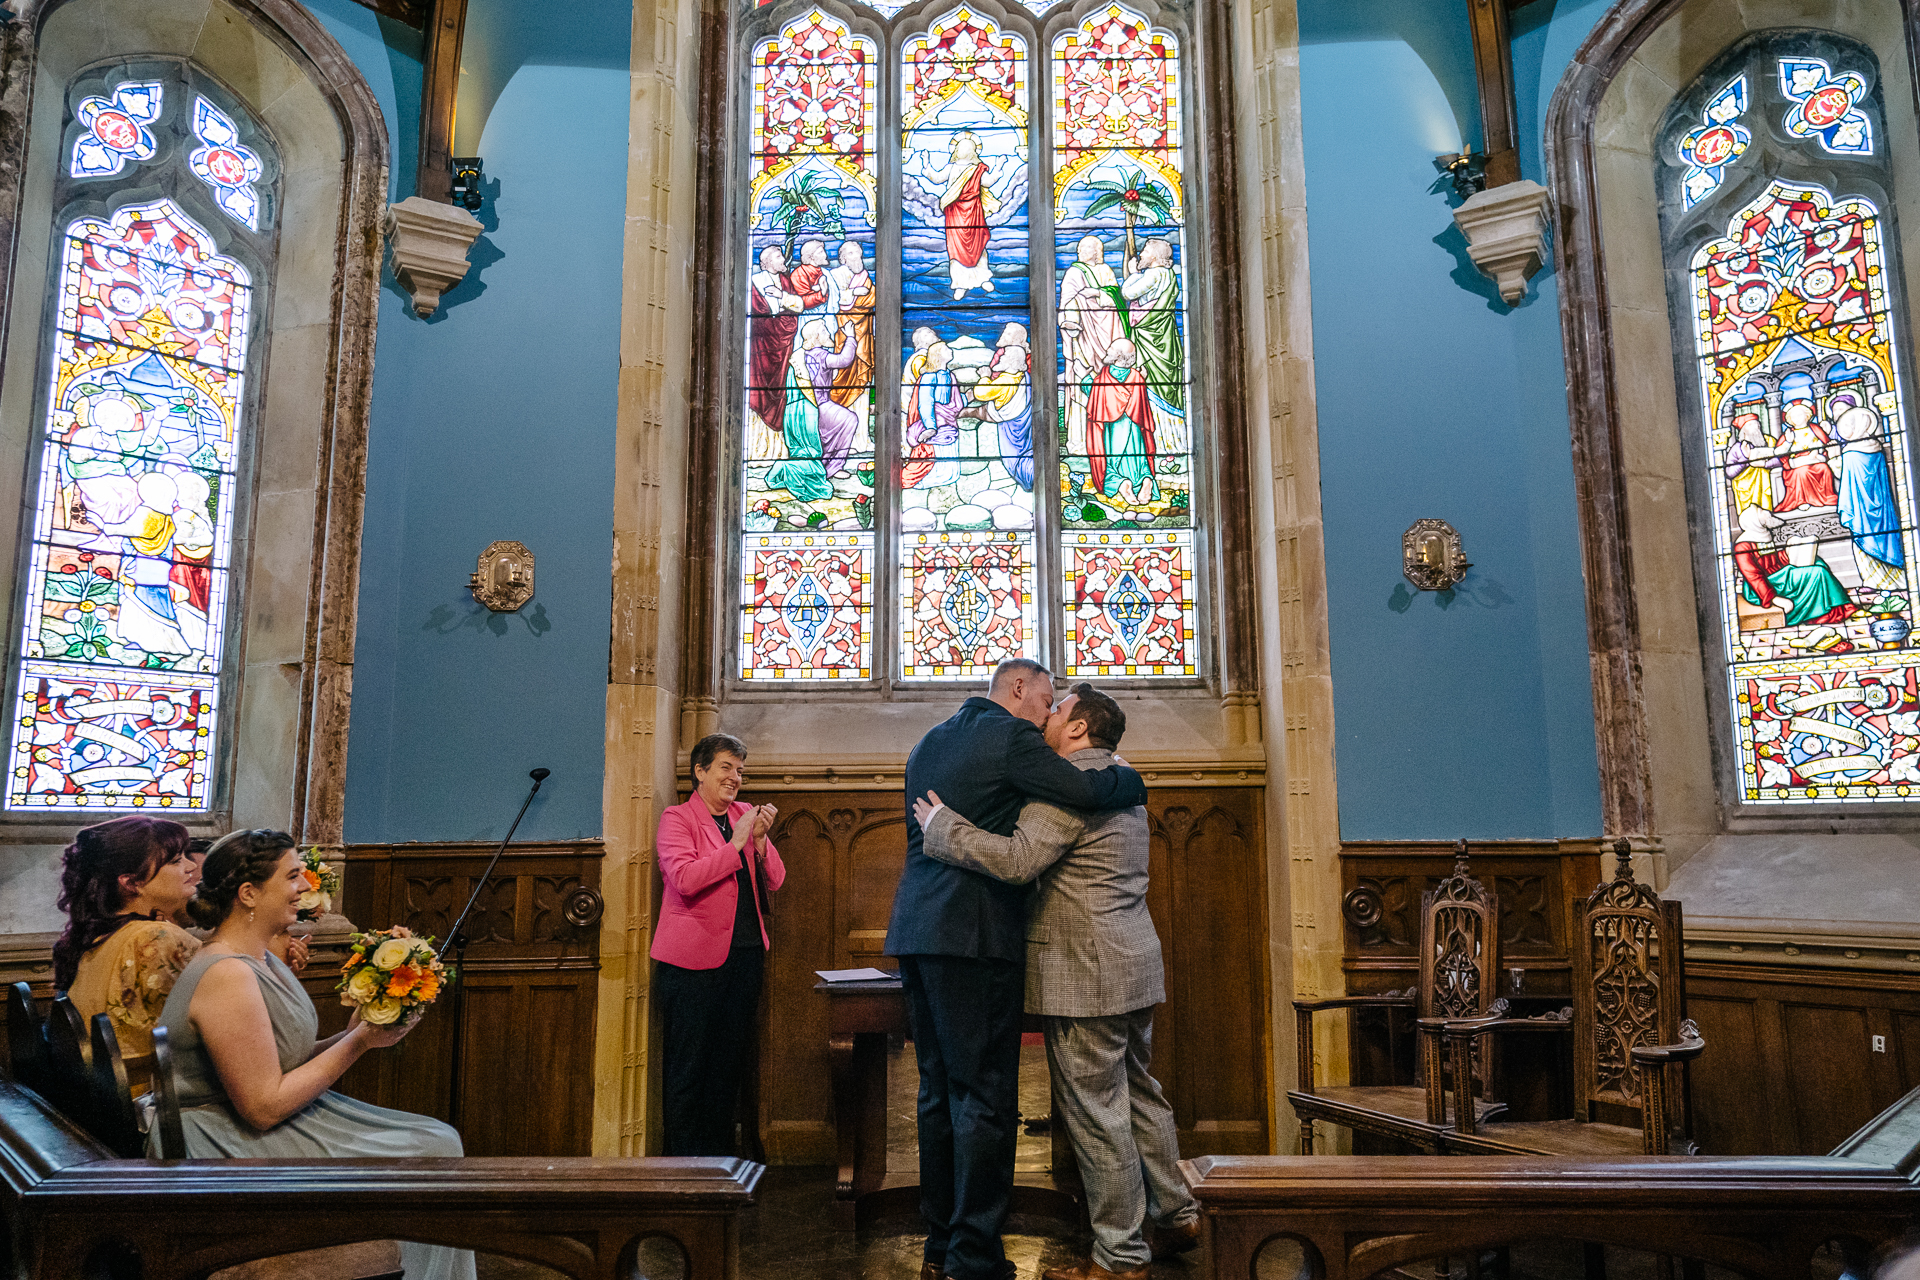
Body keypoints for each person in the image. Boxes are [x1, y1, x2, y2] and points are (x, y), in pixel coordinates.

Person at [912, 684, 1199, 1280]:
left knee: (1098, 1113)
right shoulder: (1118, 777)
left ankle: (1120, 1256)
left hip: (1084, 973)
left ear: (1077, 729)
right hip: (1132, 964)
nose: (1046, 716)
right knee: (1140, 1094)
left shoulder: (1067, 790)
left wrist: (942, 827)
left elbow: (1017, 860)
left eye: (1057, 707)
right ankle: (1176, 1215)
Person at [156, 829, 473, 1280]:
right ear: (248, 893)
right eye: (292, 876)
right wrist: (358, 1042)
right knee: (432, 1149)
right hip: (219, 1137)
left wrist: (369, 1022)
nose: (305, 886)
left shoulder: (262, 958)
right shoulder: (226, 973)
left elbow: (287, 1059)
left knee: (436, 1139)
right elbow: (262, 1107)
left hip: (250, 1118)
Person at [652, 733, 786, 1157]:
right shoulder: (678, 819)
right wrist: (735, 845)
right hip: (692, 965)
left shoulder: (745, 814)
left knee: (727, 1066)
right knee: (689, 1069)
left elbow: (776, 880)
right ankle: (683, 1167)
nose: (735, 778)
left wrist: (761, 841)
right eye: (727, 767)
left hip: (744, 958)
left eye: (741, 771)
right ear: (700, 771)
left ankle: (720, 1166)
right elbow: (686, 879)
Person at [54, 816, 199, 1095]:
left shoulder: (100, 937)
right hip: (156, 1104)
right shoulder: (156, 939)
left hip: (107, 1104)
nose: (191, 867)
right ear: (132, 882)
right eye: (176, 860)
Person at [766, 317, 863, 502]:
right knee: (849, 419)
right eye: (825, 331)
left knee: (842, 421)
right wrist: (851, 337)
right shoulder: (820, 354)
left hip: (797, 411)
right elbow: (844, 360)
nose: (829, 334)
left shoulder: (798, 356)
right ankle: (832, 467)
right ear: (817, 337)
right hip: (817, 406)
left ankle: (825, 466)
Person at [1058, 236, 1126, 458]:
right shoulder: (1073, 272)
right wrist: (1077, 306)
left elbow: (1117, 298)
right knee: (1083, 375)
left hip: (1109, 331)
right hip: (1083, 335)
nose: (1081, 250)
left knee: (1111, 377)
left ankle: (1116, 440)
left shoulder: (1106, 270)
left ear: (1098, 251)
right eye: (1079, 247)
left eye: (1086, 247)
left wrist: (1096, 293)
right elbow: (1066, 302)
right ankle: (1081, 442)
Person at [1120, 237, 1187, 456]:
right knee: (1164, 386)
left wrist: (1132, 274)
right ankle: (1171, 445)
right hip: (1165, 338)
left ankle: (1159, 445)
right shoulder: (1169, 275)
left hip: (1150, 341)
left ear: (1155, 257)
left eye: (1145, 251)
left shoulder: (1153, 274)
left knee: (1150, 387)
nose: (1140, 254)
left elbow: (1128, 294)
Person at [1086, 338, 1158, 509]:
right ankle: (1146, 479)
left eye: (1111, 348)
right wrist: (1142, 378)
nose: (1107, 349)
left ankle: (1121, 483)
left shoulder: (1104, 377)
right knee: (1139, 461)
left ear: (1118, 356)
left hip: (1112, 431)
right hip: (1134, 430)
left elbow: (1095, 396)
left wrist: (1084, 378)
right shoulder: (1136, 376)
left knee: (1111, 463)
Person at [939, 131, 999, 298]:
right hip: (955, 212)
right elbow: (937, 178)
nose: (965, 150)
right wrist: (926, 166)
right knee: (956, 249)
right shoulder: (950, 168)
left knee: (978, 244)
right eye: (961, 147)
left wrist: (998, 169)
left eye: (969, 147)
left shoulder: (977, 170)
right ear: (955, 150)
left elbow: (987, 182)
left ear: (974, 151)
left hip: (974, 210)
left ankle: (982, 278)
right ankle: (960, 284)